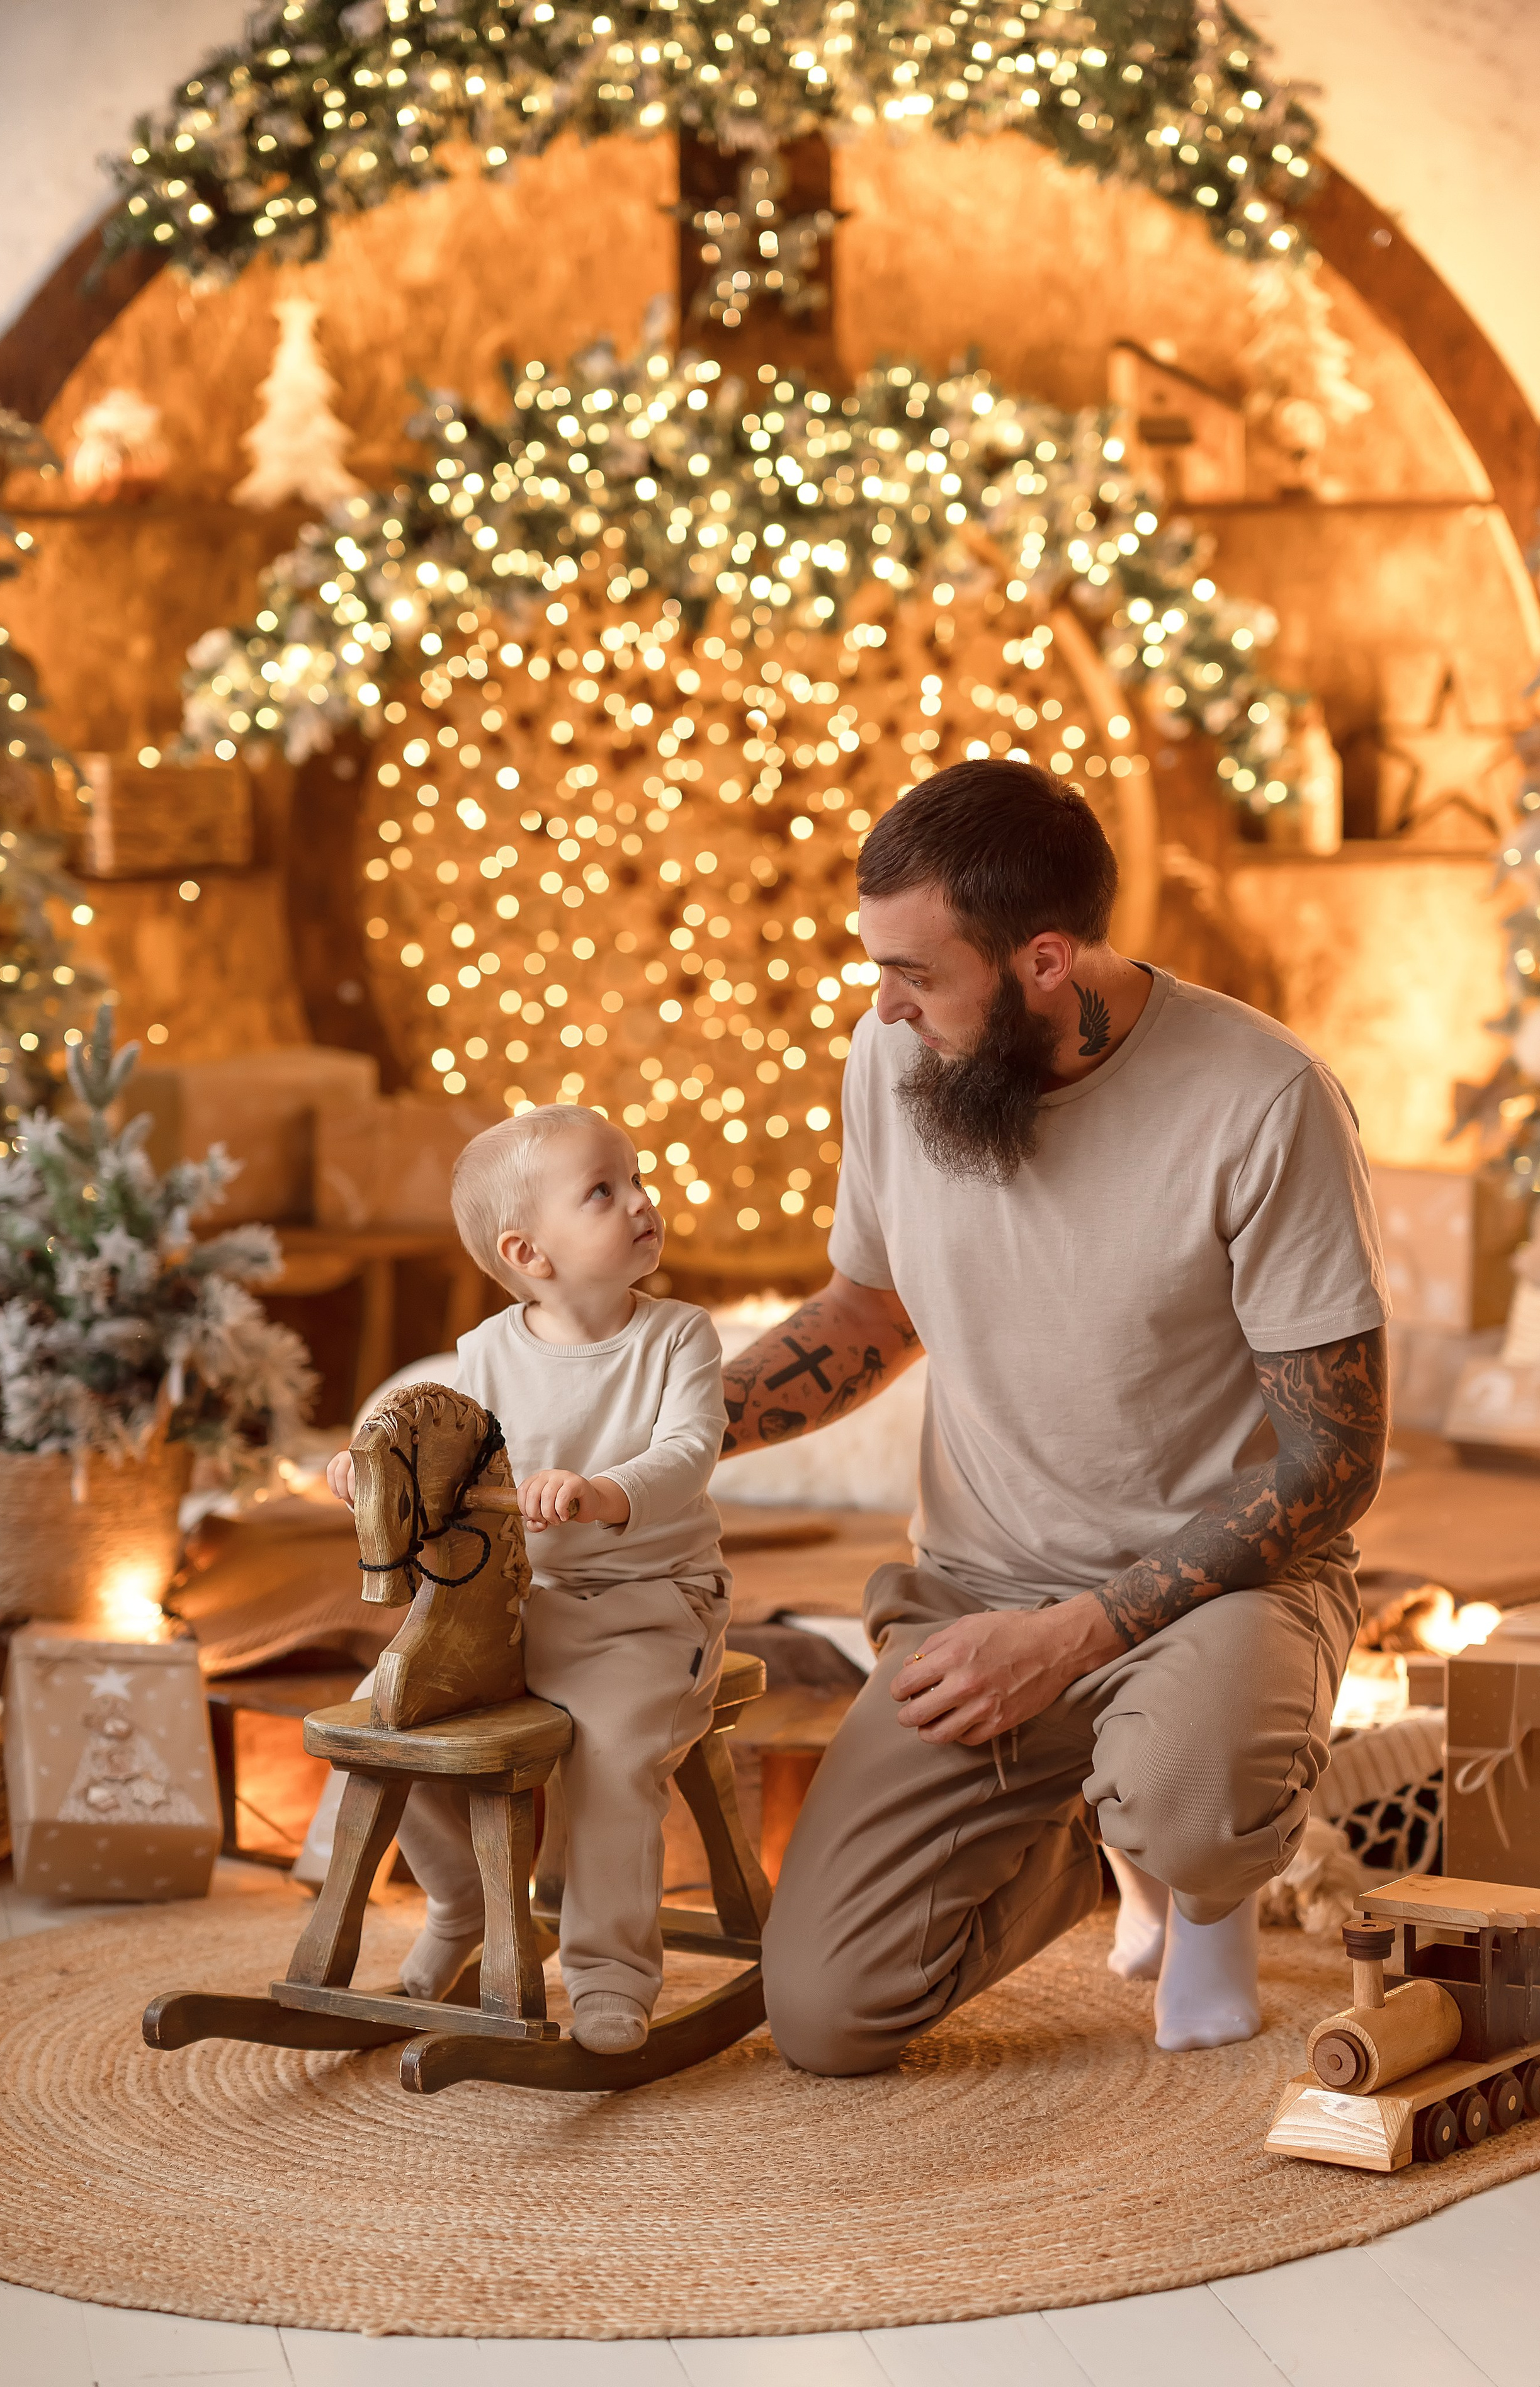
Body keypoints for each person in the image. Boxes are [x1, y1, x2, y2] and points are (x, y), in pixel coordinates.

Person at [722, 757, 1390, 2075]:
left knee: (1188, 1808)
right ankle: (1088, 1852)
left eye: (912, 972)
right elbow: (866, 1319)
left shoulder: (1262, 1101)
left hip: (1218, 1591)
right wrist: (643, 1433)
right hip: (973, 1590)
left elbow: (1333, 1458)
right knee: (824, 2015)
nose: (878, 1004)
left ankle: (1196, 1887)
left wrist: (1077, 1633)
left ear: (1042, 960)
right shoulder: (891, 1055)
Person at [326, 1104, 727, 2055]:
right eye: (604, 1190)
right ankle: (462, 1906)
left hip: (649, 1610)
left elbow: (688, 1452)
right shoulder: (485, 1356)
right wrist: (365, 1472)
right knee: (385, 1718)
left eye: (637, 1179)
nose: (640, 1201)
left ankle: (608, 1973)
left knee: (615, 1759)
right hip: (518, 1609)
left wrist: (599, 1492)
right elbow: (440, 1463)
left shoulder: (678, 1338)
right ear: (530, 1253)